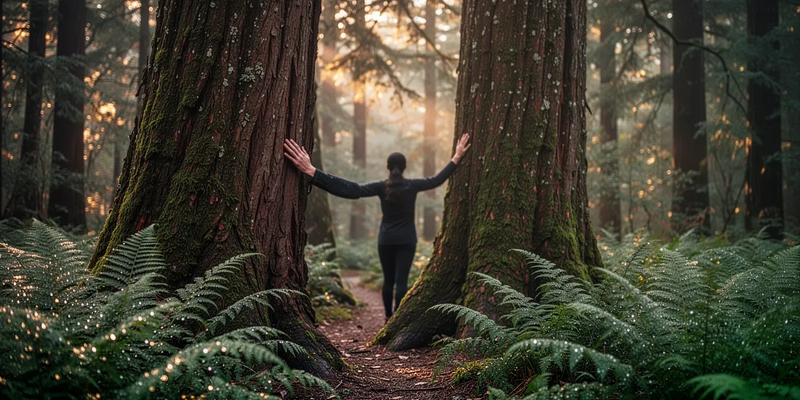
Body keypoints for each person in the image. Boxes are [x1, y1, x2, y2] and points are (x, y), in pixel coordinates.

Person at [283, 134, 471, 321]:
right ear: (404, 168)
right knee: (401, 281)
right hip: (407, 240)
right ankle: (397, 318)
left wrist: (312, 171)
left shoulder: (382, 187)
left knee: (388, 280)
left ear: (387, 167)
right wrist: (456, 157)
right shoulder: (412, 186)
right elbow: (436, 180)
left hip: (386, 240)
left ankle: (388, 318)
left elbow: (353, 190)